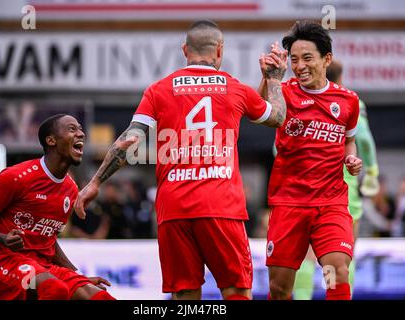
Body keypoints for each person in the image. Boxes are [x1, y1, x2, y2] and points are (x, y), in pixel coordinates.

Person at [75, 20, 287, 300]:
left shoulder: (159, 90)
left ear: (185, 50)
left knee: (185, 295)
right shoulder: (235, 89)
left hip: (174, 209)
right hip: (221, 206)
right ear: (220, 51)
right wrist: (273, 78)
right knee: (235, 290)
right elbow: (276, 116)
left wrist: (95, 182)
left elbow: (129, 140)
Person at [258, 21, 363, 300]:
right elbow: (261, 112)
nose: (299, 65)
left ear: (326, 59)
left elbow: (348, 140)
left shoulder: (349, 101)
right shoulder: (286, 91)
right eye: (293, 59)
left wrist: (351, 158)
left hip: (331, 203)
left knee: (337, 272)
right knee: (280, 288)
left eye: (307, 58)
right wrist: (270, 77)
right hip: (289, 203)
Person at [0, 114, 115, 300]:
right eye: (72, 129)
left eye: (80, 129)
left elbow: (49, 240)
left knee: (100, 297)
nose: (81, 134)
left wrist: (78, 275)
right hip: (3, 262)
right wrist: (2, 238)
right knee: (54, 288)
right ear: (51, 140)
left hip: (43, 266)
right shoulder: (17, 177)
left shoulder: (70, 188)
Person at [292, 59, 381, 299]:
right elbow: (363, 138)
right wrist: (372, 172)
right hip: (344, 191)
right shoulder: (350, 100)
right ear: (341, 78)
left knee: (307, 254)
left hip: (307, 188)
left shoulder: (301, 101)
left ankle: (302, 297)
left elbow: (277, 149)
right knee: (344, 254)